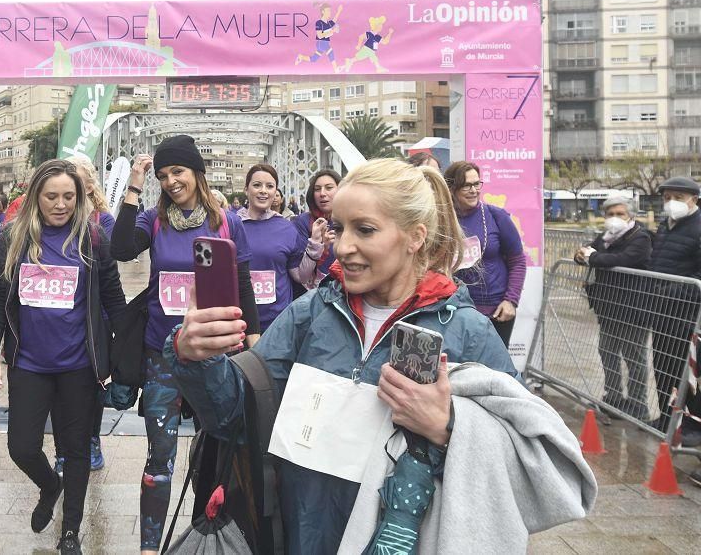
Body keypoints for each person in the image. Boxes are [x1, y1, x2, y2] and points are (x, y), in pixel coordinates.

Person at [166, 159, 593, 554]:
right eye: (339, 228)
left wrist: (448, 428)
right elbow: (233, 417)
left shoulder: (466, 332)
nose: (344, 247)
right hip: (296, 536)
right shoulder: (310, 314)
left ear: (415, 237)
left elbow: (540, 468)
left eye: (364, 230)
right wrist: (195, 358)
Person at [109, 134, 259, 554]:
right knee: (159, 458)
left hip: (216, 354)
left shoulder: (228, 222)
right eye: (163, 175)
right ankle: (149, 547)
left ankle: (209, 536)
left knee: (216, 451)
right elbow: (121, 248)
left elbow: (242, 282)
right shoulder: (154, 220)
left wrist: (253, 337)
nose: (171, 181)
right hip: (163, 354)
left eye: (177, 171)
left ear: (197, 171)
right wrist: (136, 185)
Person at [0, 159, 127, 555]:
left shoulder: (93, 239)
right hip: (29, 363)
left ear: (79, 197)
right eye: (51, 196)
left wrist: (124, 355)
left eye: (68, 196)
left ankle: (70, 532)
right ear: (36, 197)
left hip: (79, 366)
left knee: (76, 449)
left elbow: (114, 300)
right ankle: (50, 486)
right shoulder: (15, 235)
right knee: (22, 447)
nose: (60, 204)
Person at [52, 155, 115, 475]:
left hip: (96, 320)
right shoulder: (50, 220)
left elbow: (112, 277)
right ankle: (62, 448)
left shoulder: (102, 223)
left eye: (73, 181)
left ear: (87, 186)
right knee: (59, 389)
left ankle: (91, 439)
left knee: (94, 386)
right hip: (61, 320)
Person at [574, 196, 652, 419]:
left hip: (633, 308)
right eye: (611, 214)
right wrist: (580, 255)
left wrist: (593, 257)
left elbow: (623, 259)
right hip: (608, 307)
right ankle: (613, 398)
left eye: (620, 214)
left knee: (634, 358)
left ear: (631, 216)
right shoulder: (606, 237)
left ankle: (638, 405)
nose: (615, 218)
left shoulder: (640, 237)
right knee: (607, 352)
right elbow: (590, 253)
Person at [444, 161, 526, 347]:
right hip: (454, 309)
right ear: (451, 188)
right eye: (466, 185)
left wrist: (511, 301)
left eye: (476, 184)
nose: (474, 190)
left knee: (494, 371)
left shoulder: (496, 216)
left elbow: (517, 260)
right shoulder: (442, 220)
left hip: (496, 311)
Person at [645, 177, 701, 435]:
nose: (671, 203)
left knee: (687, 372)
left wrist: (671, 289)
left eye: (678, 198)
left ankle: (690, 426)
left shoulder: (698, 227)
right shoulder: (666, 226)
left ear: (694, 199)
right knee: (663, 365)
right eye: (667, 198)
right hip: (662, 312)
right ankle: (667, 417)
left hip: (688, 314)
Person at [238, 164, 309, 346]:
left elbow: (299, 275)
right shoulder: (231, 225)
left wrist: (315, 247)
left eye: (270, 186)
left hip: (277, 322)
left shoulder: (286, 227)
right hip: (237, 322)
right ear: (246, 190)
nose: (263, 191)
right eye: (257, 185)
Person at [290, 169, 342, 293]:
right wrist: (316, 243)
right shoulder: (301, 222)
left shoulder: (351, 220)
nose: (322, 193)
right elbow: (301, 276)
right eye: (317, 189)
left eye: (329, 188)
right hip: (312, 297)